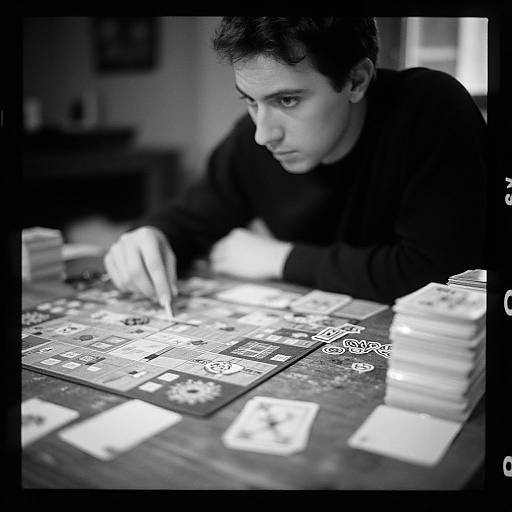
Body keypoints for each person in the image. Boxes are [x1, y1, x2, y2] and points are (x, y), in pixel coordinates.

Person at [104, 17, 487, 309]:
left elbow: (442, 273)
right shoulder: (250, 139)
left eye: (287, 101)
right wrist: (149, 236)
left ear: (356, 80)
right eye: (250, 101)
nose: (264, 134)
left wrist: (279, 258)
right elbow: (193, 219)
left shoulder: (432, 110)